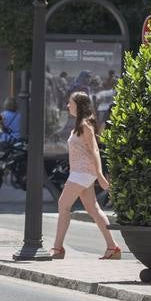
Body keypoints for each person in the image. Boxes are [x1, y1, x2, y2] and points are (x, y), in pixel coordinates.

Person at [51, 91, 120, 260]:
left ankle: (58, 248)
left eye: (71, 103)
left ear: (78, 106)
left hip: (82, 173)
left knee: (63, 205)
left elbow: (95, 150)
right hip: (81, 173)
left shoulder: (84, 125)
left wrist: (100, 175)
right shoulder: (80, 124)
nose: (68, 106)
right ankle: (113, 247)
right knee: (93, 209)